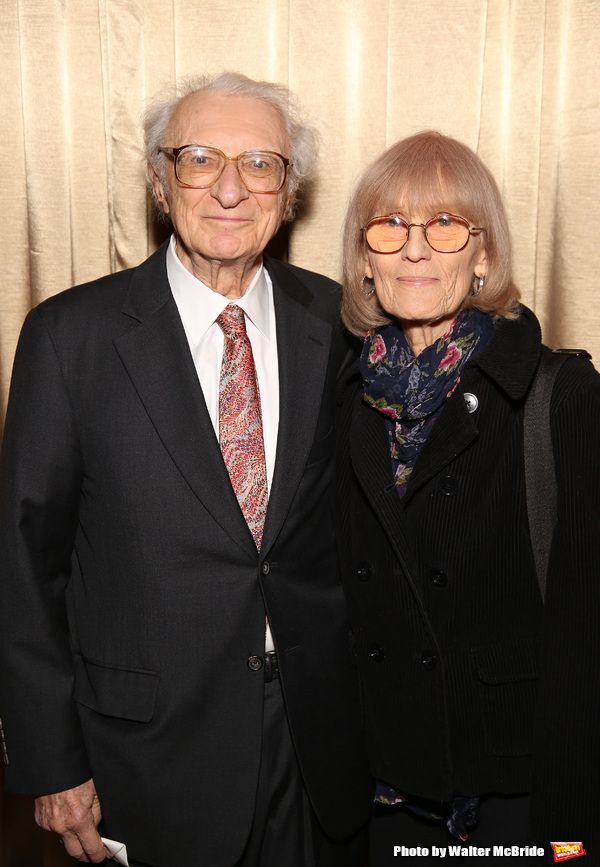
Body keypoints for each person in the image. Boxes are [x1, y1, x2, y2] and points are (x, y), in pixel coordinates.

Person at [0, 72, 371, 867]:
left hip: (315, 750)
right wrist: (49, 760)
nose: (231, 189)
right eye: (200, 158)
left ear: (289, 192)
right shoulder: (71, 338)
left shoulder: (340, 323)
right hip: (144, 756)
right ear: (159, 180)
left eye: (260, 164)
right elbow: (23, 566)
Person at [337, 130, 600, 862]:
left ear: (483, 255)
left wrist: (571, 844)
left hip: (515, 797)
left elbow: (586, 647)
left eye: (446, 224)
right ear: (365, 261)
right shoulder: (346, 399)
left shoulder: (562, 396)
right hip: (381, 793)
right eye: (390, 226)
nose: (416, 250)